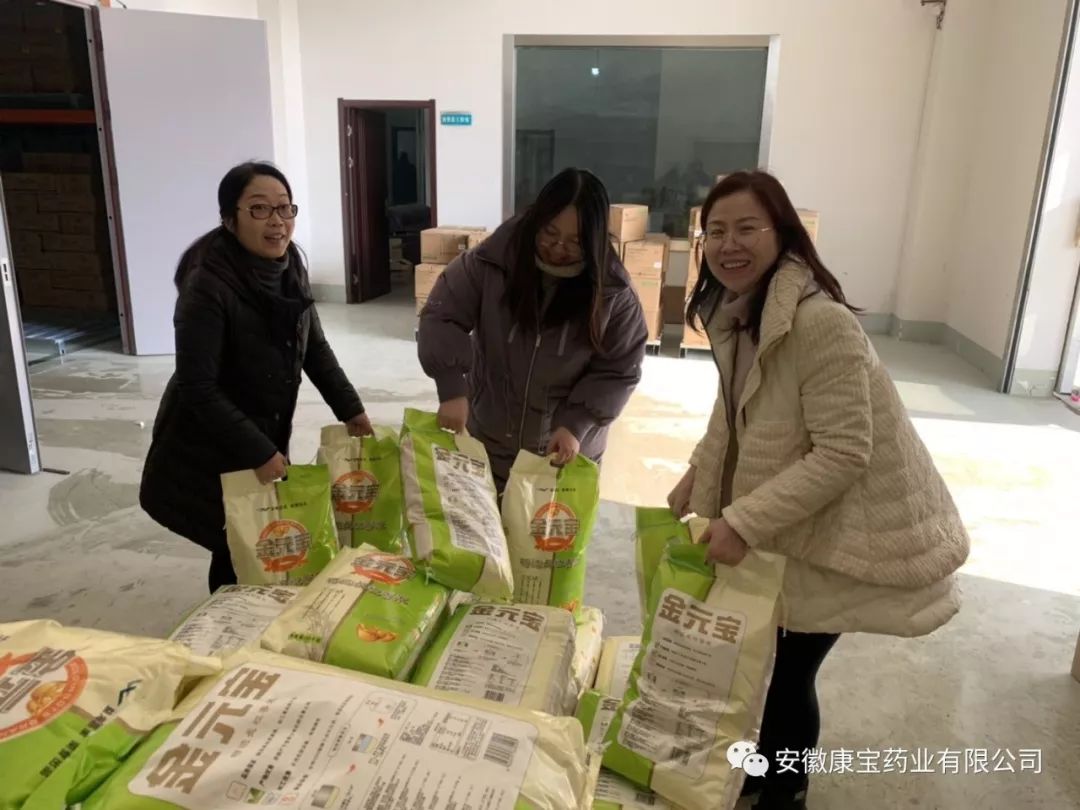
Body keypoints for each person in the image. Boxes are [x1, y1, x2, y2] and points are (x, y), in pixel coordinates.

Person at [666, 171, 969, 809]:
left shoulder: (820, 323)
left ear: (782, 234)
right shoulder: (738, 313)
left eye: (747, 228)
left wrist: (742, 522)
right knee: (764, 665)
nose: (729, 244)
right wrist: (698, 472)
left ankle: (787, 793)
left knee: (788, 672)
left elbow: (844, 452)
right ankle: (764, 775)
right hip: (787, 518)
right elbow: (733, 411)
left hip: (835, 525)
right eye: (715, 231)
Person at [140, 162, 372, 592]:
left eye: (285, 208)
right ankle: (229, 622)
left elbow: (314, 348)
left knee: (253, 538)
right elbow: (197, 387)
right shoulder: (207, 285)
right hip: (207, 440)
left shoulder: (290, 267)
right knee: (234, 540)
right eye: (260, 209)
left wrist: (350, 408)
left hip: (262, 427)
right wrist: (259, 451)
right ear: (230, 219)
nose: (277, 221)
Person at [418, 167, 648, 490]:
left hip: (562, 456)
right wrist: (452, 388)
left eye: (575, 242)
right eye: (550, 233)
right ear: (535, 221)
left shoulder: (613, 293)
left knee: (549, 525)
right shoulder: (492, 262)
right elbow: (442, 314)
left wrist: (575, 424)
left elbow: (619, 369)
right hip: (489, 442)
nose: (558, 248)